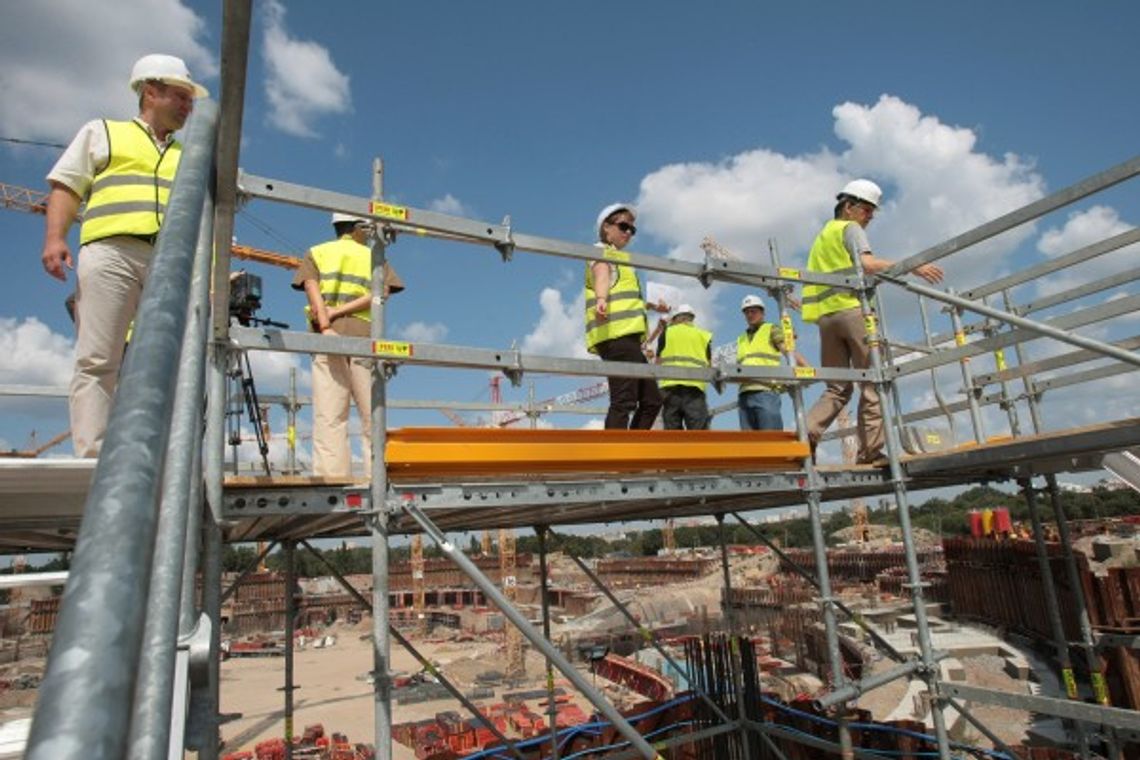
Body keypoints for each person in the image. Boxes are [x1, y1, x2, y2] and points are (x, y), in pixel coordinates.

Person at [40, 54, 208, 457]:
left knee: (174, 363)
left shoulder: (190, 155)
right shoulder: (104, 133)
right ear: (150, 91)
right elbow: (67, 186)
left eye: (190, 100)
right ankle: (94, 457)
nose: (188, 107)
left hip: (172, 263)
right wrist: (54, 238)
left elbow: (203, 219)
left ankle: (165, 462)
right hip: (111, 251)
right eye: (180, 97)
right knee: (99, 358)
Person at [802, 179, 944, 464]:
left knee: (837, 388)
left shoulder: (822, 236)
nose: (870, 217)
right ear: (849, 207)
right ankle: (869, 453)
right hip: (853, 312)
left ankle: (805, 440)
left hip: (827, 319)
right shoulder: (849, 228)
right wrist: (912, 266)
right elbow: (867, 264)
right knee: (873, 383)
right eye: (867, 210)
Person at [293, 213, 405, 478]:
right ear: (357, 228)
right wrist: (341, 311)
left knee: (329, 416)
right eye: (365, 229)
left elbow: (313, 291)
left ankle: (332, 480)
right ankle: (376, 478)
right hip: (365, 339)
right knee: (372, 416)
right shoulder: (373, 257)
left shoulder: (316, 252)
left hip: (326, 339)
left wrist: (326, 324)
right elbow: (382, 293)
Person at [585, 203, 669, 429]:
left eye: (632, 229)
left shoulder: (621, 260)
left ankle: (631, 454)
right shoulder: (601, 252)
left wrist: (652, 306)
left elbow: (624, 296)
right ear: (606, 228)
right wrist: (601, 299)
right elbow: (601, 273)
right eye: (624, 226)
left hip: (628, 339)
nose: (628, 233)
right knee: (624, 400)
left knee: (652, 400)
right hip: (616, 336)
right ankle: (613, 459)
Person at [737, 294, 809, 430]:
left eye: (753, 311)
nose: (750, 315)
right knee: (749, 445)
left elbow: (788, 351)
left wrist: (808, 369)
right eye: (746, 312)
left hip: (766, 392)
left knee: (771, 438)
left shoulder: (771, 329)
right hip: (744, 395)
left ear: (762, 313)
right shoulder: (741, 338)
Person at [656, 304, 712, 430]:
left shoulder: (667, 332)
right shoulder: (703, 335)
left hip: (670, 391)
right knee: (698, 437)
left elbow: (658, 363)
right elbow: (709, 366)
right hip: (695, 391)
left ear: (676, 318)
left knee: (673, 438)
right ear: (691, 318)